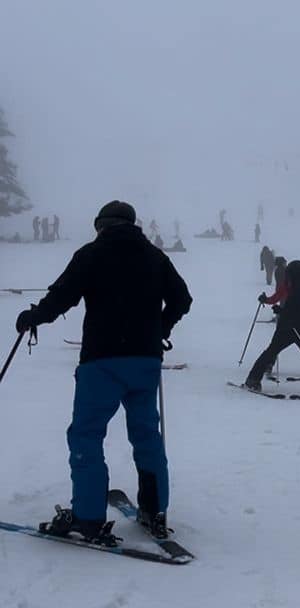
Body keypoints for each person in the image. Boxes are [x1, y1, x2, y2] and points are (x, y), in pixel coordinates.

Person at [16, 201, 192, 544]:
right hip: (144, 361)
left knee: (87, 435)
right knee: (146, 435)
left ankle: (88, 516)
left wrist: (33, 317)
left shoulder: (92, 254)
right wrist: (161, 328)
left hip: (102, 360)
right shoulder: (155, 256)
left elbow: (61, 297)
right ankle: (154, 510)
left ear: (101, 225)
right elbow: (182, 299)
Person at [244, 260, 300, 395]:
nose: (287, 276)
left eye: (289, 273)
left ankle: (253, 380)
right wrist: (279, 309)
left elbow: (298, 309)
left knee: (271, 353)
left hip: (292, 327)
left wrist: (281, 311)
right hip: (299, 327)